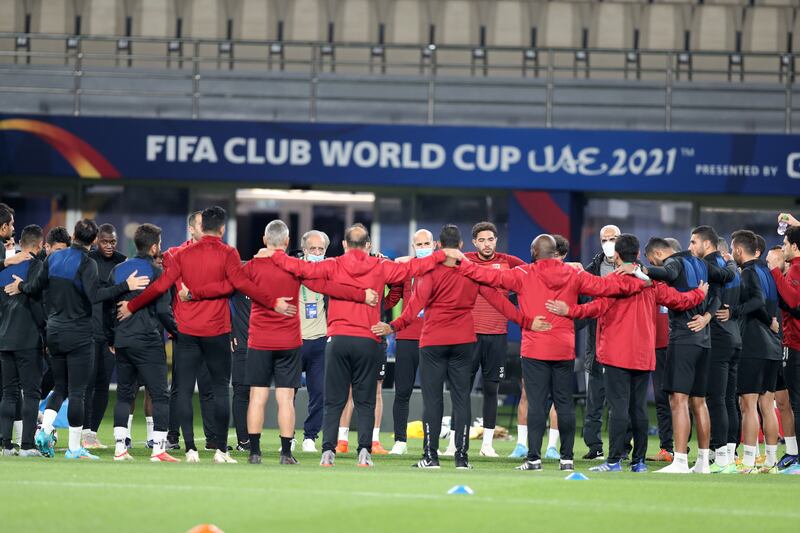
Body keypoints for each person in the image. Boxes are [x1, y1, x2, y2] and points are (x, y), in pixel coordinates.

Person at [453, 234, 649, 471]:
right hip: (563, 349)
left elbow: (485, 275)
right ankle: (566, 459)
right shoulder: (573, 274)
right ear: (555, 252)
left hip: (535, 348)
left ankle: (534, 459)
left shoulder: (523, 274)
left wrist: (460, 261)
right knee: (564, 404)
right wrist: (640, 277)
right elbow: (607, 286)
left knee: (536, 404)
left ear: (534, 253)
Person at [260, 223, 449, 467]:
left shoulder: (334, 265)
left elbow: (299, 267)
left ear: (346, 245)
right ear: (367, 245)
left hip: (337, 340)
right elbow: (414, 267)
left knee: (334, 400)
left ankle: (327, 452)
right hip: (368, 341)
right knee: (366, 400)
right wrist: (444, 254)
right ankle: (364, 452)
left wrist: (274, 253)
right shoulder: (380, 266)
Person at [191, 220, 375, 465]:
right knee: (285, 399)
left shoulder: (252, 266)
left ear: (265, 241)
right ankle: (286, 453)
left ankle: (254, 452)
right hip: (289, 341)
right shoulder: (295, 267)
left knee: (257, 396)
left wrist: (193, 292)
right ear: (287, 243)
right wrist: (361, 295)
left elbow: (225, 286)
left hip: (259, 340)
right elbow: (327, 286)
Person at [119, 206, 287, 464]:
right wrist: (271, 302)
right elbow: (240, 285)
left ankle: (190, 450)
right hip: (217, 331)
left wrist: (132, 305)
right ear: (222, 228)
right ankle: (220, 450)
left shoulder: (183, 254)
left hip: (186, 331)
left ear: (201, 226)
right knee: (220, 390)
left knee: (183, 390)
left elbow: (161, 286)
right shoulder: (229, 253)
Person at [546, 234, 708, 473]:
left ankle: (613, 461)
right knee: (639, 409)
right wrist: (699, 294)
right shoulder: (652, 283)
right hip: (644, 355)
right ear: (639, 254)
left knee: (619, 409)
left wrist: (568, 309)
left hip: (616, 354)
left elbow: (595, 305)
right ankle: (638, 462)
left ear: (618, 256)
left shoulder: (614, 282)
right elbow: (678, 300)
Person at [373, 224, 524, 469]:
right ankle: (461, 458)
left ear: (439, 246)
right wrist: (525, 321)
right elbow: (500, 301)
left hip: (433, 341)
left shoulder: (429, 272)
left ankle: (430, 457)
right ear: (462, 246)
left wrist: (393, 326)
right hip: (464, 341)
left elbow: (413, 307)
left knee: (433, 400)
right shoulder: (472, 271)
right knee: (461, 399)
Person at [4, 219, 149, 460]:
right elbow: (95, 296)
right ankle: (74, 449)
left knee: (59, 387)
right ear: (93, 241)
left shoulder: (52, 259)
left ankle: (44, 430)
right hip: (79, 334)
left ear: (73, 236)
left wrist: (22, 286)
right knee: (78, 392)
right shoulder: (87, 263)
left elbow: (36, 286)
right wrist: (126, 285)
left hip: (54, 333)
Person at [640, 236, 733, 474]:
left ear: (659, 255)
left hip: (683, 339)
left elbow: (668, 274)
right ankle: (703, 463)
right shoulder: (702, 264)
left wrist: (642, 269)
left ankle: (680, 460)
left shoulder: (673, 263)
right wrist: (708, 316)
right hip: (704, 341)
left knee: (678, 400)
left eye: (653, 261)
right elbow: (723, 282)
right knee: (699, 402)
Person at [453, 221, 526, 458]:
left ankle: (487, 445)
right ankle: (454, 443)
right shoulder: (464, 259)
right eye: (482, 240)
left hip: (497, 336)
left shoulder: (509, 261)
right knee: (461, 390)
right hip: (468, 336)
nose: (487, 244)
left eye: (491, 239)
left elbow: (535, 273)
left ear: (496, 240)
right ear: (474, 242)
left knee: (491, 391)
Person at [110, 223, 179, 463]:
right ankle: (158, 449)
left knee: (124, 395)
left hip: (123, 341)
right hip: (148, 341)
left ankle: (120, 449)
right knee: (160, 395)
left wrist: (112, 337)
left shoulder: (118, 270)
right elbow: (163, 311)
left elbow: (108, 305)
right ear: (153, 247)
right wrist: (178, 333)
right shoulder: (157, 273)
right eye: (159, 244)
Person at [719, 230, 782, 473]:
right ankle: (770, 461)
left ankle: (747, 461)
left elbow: (756, 301)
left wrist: (733, 311)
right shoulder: (767, 271)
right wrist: (770, 321)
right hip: (772, 347)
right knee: (767, 406)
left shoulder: (748, 272)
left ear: (737, 250)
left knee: (748, 404)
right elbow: (767, 303)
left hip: (754, 345)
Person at [161, 212, 217, 452]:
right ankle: (173, 435)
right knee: (180, 387)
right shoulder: (174, 255)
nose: (205, 231)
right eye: (201, 226)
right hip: (183, 331)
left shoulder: (220, 254)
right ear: (191, 230)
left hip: (212, 330)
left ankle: (212, 437)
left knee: (209, 387)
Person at [689, 226, 742, 473]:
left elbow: (716, 295)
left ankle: (720, 456)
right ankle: (728, 453)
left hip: (718, 339)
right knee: (728, 399)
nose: (690, 248)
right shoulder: (731, 268)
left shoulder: (710, 267)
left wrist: (708, 315)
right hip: (734, 338)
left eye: (693, 243)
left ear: (707, 244)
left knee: (716, 399)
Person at [380, 230, 435, 455]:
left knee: (432, 395)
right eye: (418, 244)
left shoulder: (441, 269)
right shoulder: (405, 270)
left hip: (433, 338)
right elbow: (391, 300)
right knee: (402, 391)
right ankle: (400, 441)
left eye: (426, 243)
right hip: (406, 337)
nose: (422, 247)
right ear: (413, 246)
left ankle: (430, 444)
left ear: (435, 245)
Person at [0, 225, 46, 457]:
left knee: (8, 393)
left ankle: (5, 445)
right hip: (28, 337)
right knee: (31, 392)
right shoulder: (38, 267)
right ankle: (27, 445)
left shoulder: (4, 268)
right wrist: (45, 333)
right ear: (39, 246)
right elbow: (40, 305)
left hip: (5, 337)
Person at [83, 223, 126, 449]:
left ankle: (91, 434)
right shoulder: (87, 261)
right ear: (96, 240)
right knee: (86, 385)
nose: (109, 246)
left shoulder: (122, 262)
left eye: (113, 242)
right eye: (105, 242)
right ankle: (80, 432)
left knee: (102, 385)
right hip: (87, 333)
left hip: (110, 336)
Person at [298, 230, 334, 453]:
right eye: (313, 249)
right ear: (304, 250)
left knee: (319, 392)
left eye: (321, 250)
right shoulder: (292, 269)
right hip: (293, 340)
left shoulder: (330, 271)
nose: (317, 253)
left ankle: (310, 436)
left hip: (320, 340)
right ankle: (288, 436)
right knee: (287, 391)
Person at [770, 227, 800, 471]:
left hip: (796, 344)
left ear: (795, 246)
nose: (783, 247)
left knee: (796, 403)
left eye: (785, 242)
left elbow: (793, 302)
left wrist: (774, 272)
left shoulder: (797, 268)